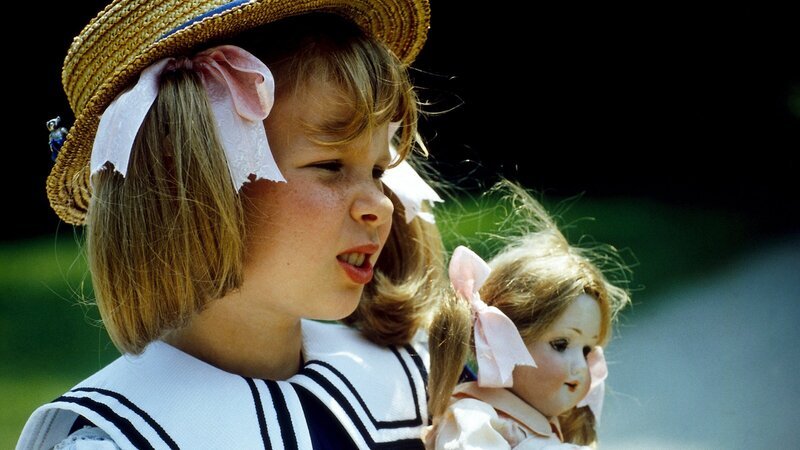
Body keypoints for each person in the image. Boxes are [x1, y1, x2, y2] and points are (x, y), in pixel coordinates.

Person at [19, 1, 450, 448]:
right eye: (329, 165)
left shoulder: (419, 384)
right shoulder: (119, 439)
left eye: (378, 170)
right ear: (187, 177)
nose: (380, 205)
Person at [426, 183, 631, 449]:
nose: (580, 366)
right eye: (561, 344)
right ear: (502, 341)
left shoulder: (540, 429)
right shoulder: (475, 421)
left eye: (587, 350)